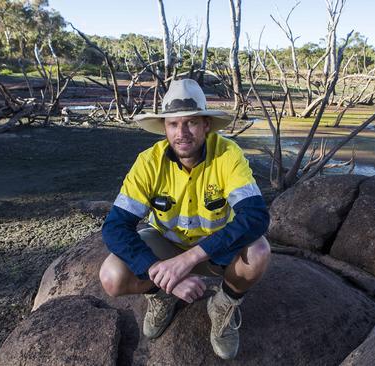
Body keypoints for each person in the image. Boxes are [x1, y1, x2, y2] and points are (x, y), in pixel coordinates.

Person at [99, 79, 271, 360]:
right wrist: (162, 274)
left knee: (259, 251)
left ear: (206, 125)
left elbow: (255, 216)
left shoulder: (228, 155)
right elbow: (116, 227)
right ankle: (160, 294)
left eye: (191, 123)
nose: (182, 133)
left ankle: (223, 304)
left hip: (215, 249)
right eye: (173, 124)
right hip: (166, 245)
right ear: (164, 128)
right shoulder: (148, 162)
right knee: (111, 277)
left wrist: (188, 261)